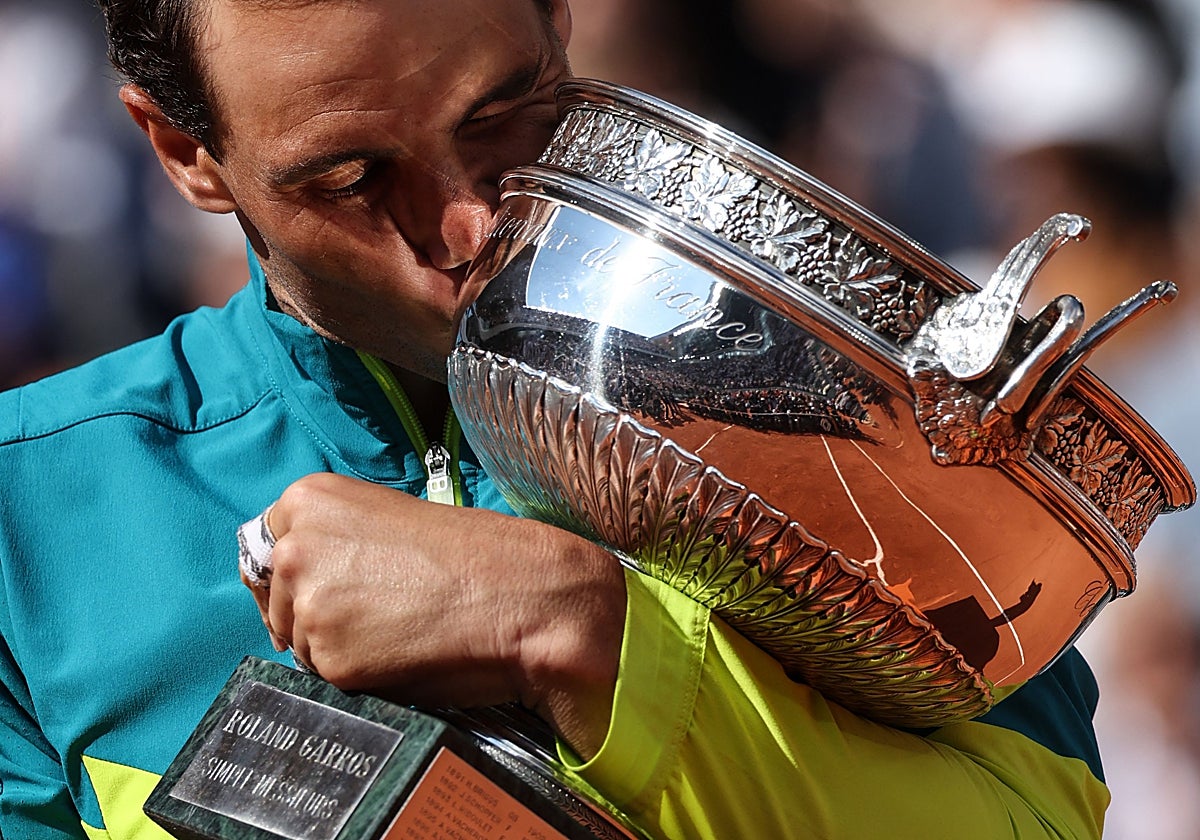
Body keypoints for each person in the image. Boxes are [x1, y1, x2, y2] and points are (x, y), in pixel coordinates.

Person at [0, 0, 1110, 837]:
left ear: (559, 21)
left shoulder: (846, 401)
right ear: (182, 152)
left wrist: (580, 630)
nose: (470, 223)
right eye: (349, 177)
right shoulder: (25, 515)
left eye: (501, 113)